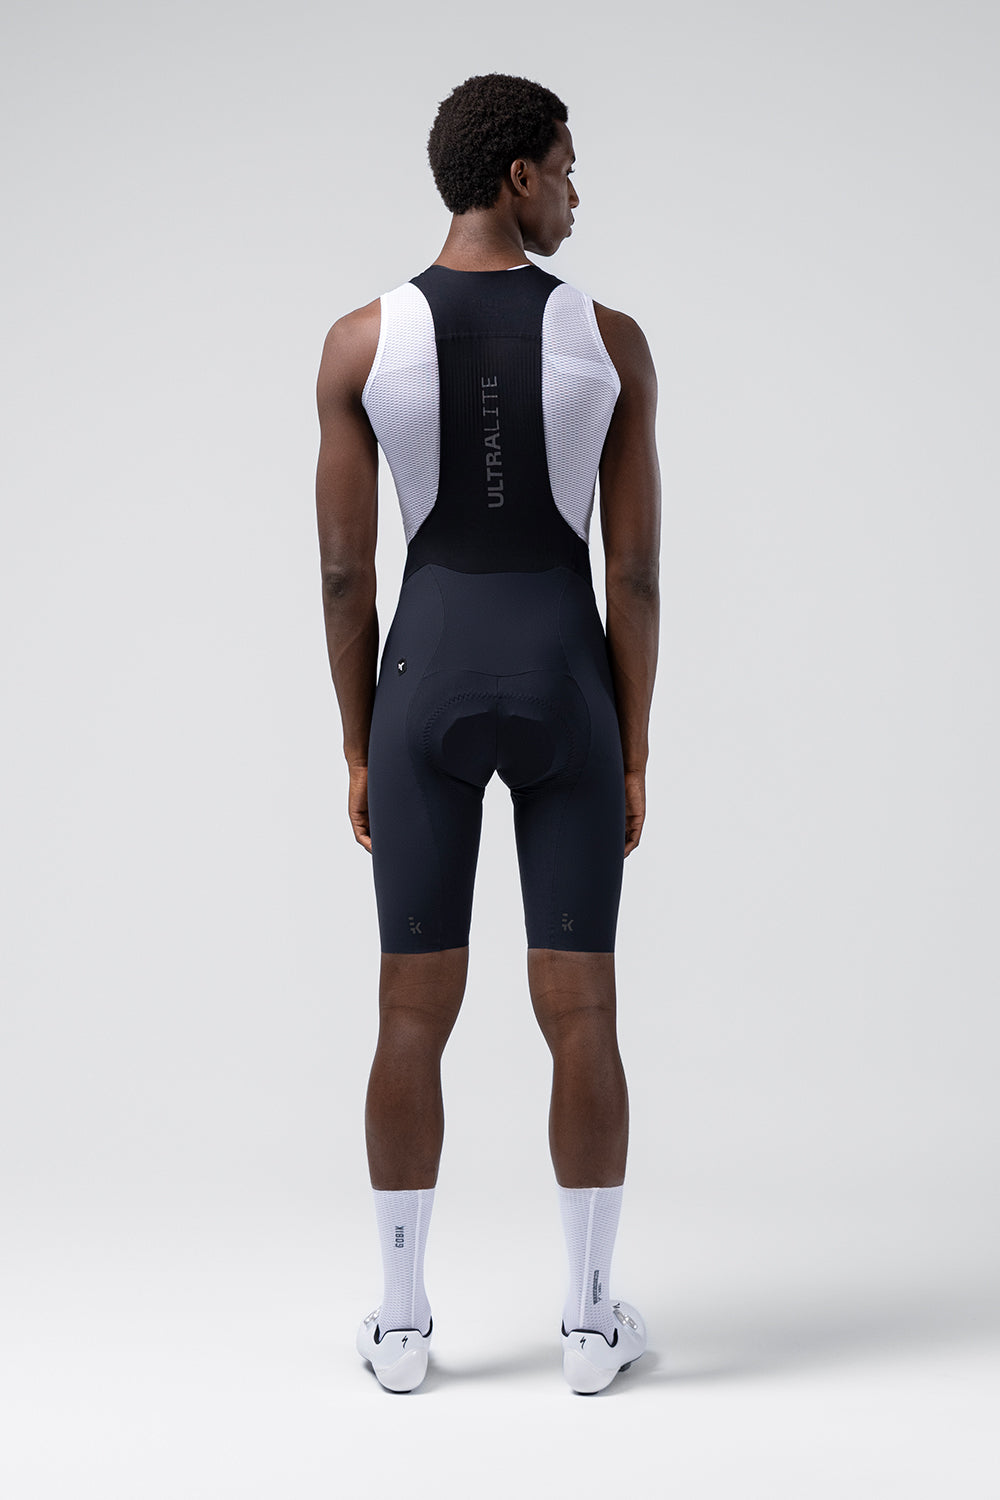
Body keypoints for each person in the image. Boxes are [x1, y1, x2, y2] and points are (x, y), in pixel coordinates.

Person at [314, 72, 660, 1394]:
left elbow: (344, 574)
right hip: (567, 680)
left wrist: (362, 742)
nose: (576, 192)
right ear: (518, 175)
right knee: (582, 1010)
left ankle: (402, 1328)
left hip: (425, 681)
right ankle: (589, 1325)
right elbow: (635, 575)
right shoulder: (610, 342)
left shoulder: (360, 341)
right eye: (567, 168)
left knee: (412, 1012)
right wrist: (632, 747)